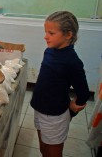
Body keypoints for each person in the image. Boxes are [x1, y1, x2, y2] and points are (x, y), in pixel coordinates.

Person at [30, 11, 90, 157]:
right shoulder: (49, 51)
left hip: (55, 116)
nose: (45, 36)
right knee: (44, 148)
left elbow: (83, 93)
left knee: (53, 153)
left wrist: (72, 108)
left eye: (51, 33)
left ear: (68, 35)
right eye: (46, 32)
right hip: (39, 107)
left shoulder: (72, 61)